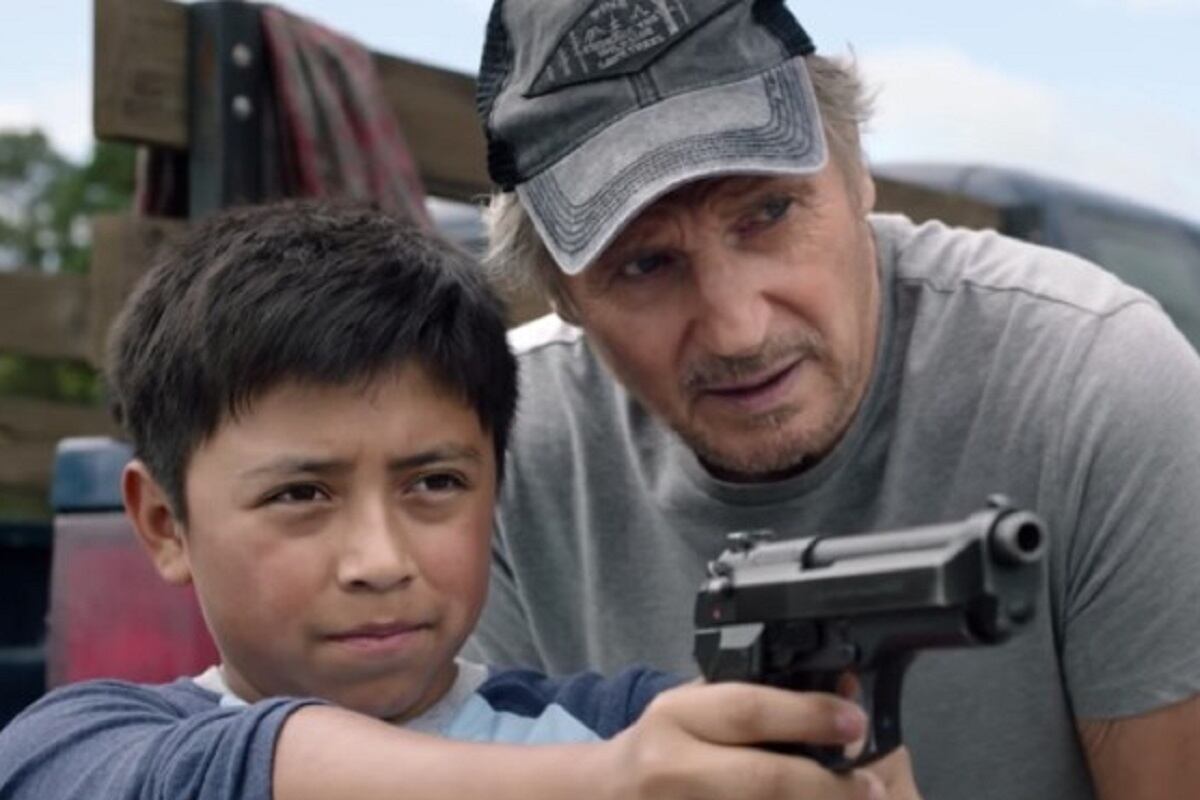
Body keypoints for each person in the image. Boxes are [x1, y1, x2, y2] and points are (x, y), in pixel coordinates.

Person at [466, 1, 1200, 798]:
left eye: (769, 213)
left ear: (856, 171)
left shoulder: (1093, 379)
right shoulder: (493, 441)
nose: (738, 330)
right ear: (562, 298)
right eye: (644, 265)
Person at [0, 201, 906, 800]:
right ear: (165, 523)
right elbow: (246, 764)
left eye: (435, 484)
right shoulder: (85, 746)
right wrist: (603, 784)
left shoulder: (622, 722)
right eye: (301, 494)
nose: (379, 561)